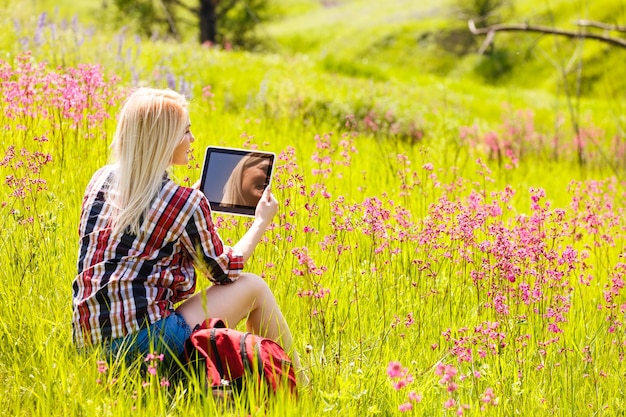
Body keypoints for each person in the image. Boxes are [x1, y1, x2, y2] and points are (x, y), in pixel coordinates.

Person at [71, 87, 305, 385]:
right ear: (164, 139)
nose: (192, 140)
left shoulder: (101, 179)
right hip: (144, 346)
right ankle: (302, 386)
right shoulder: (182, 202)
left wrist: (188, 206)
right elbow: (224, 270)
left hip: (89, 344)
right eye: (186, 131)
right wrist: (260, 222)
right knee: (254, 287)